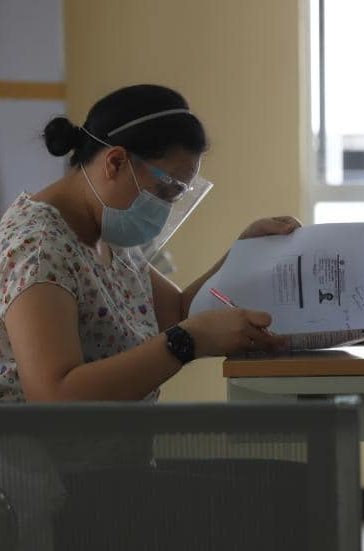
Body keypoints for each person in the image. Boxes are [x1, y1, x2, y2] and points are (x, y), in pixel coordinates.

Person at [0, 84, 299, 403]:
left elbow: (178, 312)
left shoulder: (105, 231)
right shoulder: (39, 246)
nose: (164, 209)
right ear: (114, 162)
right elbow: (54, 396)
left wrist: (244, 253)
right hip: (44, 454)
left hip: (117, 451)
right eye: (162, 191)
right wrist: (187, 342)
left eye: (176, 196)